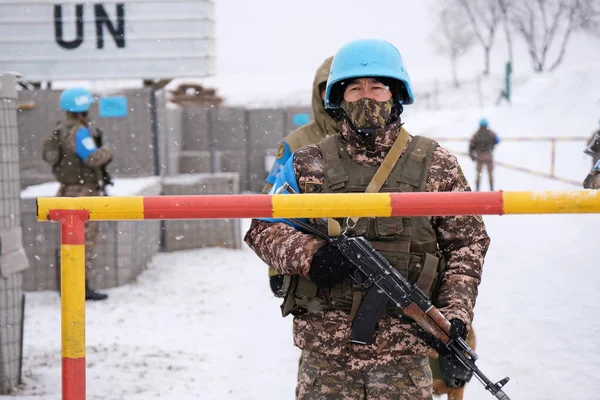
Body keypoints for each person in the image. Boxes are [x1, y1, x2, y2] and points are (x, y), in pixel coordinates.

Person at [245, 39, 490, 400]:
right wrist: (310, 255)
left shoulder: (435, 163)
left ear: (396, 94)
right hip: (327, 356)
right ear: (338, 99)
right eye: (355, 88)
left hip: (404, 353)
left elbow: (467, 241)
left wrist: (455, 311)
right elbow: (262, 228)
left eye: (377, 86)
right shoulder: (309, 162)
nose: (366, 97)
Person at [263, 56, 338, 297]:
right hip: (311, 265)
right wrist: (277, 268)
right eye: (327, 88)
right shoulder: (296, 143)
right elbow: (271, 208)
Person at [42, 87, 113, 301]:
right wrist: (107, 150)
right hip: (83, 192)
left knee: (68, 240)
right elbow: (92, 159)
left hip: (66, 190)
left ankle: (68, 286)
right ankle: (79, 287)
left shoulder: (59, 129)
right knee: (84, 242)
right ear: (82, 109)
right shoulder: (79, 131)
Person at [468, 118, 500, 191]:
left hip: (479, 157)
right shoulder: (490, 133)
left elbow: (471, 144)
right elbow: (497, 140)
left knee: (478, 174)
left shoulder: (477, 134)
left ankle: (477, 189)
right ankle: (491, 189)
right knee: (490, 173)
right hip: (489, 157)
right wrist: (492, 144)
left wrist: (472, 155)